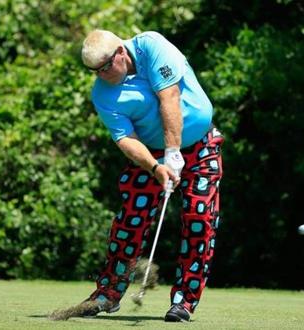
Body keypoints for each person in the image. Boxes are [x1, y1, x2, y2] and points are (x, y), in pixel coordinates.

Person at [80, 29, 224, 322]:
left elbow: (169, 97)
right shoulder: (102, 94)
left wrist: (174, 153)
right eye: (95, 71)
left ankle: (184, 300)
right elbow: (125, 139)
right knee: (129, 221)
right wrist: (157, 167)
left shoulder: (152, 46)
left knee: (199, 220)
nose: (102, 75)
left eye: (106, 66)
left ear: (121, 52)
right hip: (151, 155)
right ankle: (109, 293)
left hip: (200, 144)